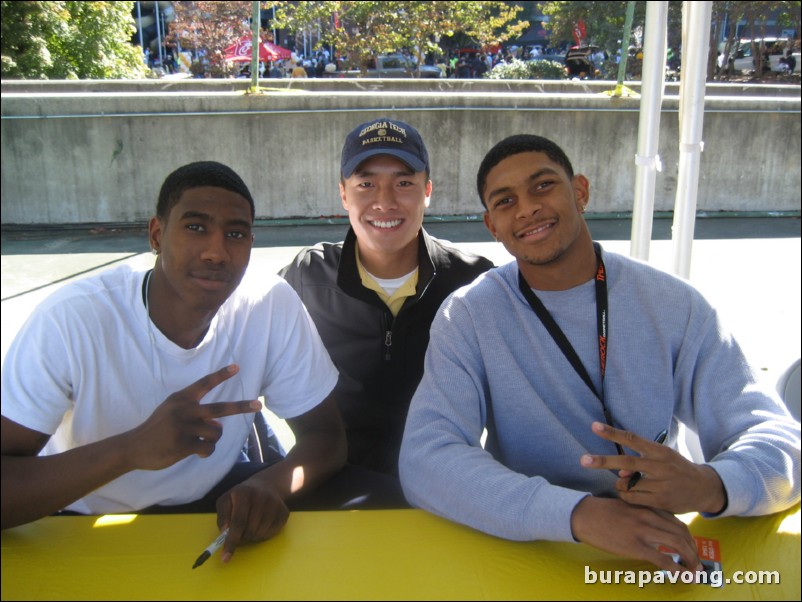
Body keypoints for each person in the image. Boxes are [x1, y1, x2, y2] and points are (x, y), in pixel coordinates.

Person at [399, 134, 801, 572]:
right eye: (505, 201)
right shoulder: (470, 316)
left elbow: (781, 442)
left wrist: (711, 484)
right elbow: (426, 459)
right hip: (537, 549)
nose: (528, 208)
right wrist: (577, 514)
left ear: (580, 192)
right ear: (492, 226)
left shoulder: (674, 304)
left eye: (543, 186)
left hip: (663, 542)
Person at [1, 161, 347, 561]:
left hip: (209, 511)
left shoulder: (268, 303)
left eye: (235, 233)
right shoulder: (71, 319)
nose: (217, 251)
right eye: (196, 227)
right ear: (157, 235)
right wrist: (131, 449)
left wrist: (272, 484)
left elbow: (327, 438)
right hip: (80, 520)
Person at [279, 118, 494, 507]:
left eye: (404, 182)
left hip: (445, 491)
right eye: (365, 184)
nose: (385, 201)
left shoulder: (474, 281)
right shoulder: (306, 277)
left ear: (427, 191)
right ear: (343, 194)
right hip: (331, 488)